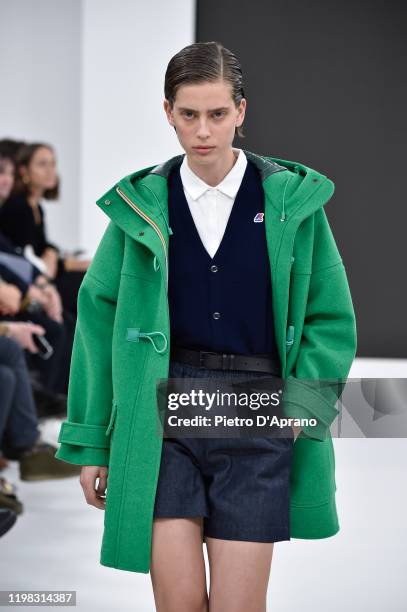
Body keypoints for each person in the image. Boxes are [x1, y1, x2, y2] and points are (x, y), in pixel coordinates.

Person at [55, 41, 357, 611]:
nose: (203, 130)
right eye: (188, 114)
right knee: (179, 604)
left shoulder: (292, 203)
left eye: (217, 114)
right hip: (159, 419)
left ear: (241, 111)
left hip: (257, 413)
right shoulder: (141, 206)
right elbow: (98, 323)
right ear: (167, 111)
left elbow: (329, 315)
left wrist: (301, 409)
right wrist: (93, 439)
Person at [0, 142, 91, 318]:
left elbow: (43, 248)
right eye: (42, 164)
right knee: (84, 283)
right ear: (24, 171)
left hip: (37, 275)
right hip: (28, 278)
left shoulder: (36, 208)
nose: (50, 171)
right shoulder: (17, 207)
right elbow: (23, 256)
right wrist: (67, 264)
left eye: (53, 164)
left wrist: (56, 255)